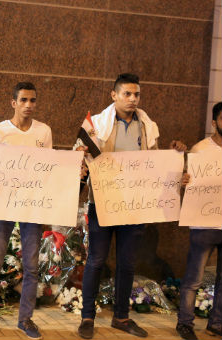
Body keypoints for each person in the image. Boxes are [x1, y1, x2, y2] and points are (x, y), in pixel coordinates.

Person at [75, 73, 186, 339]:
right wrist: (80, 157)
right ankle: (87, 317)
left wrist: (175, 154)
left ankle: (121, 318)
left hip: (135, 205)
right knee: (96, 261)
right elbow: (79, 159)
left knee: (127, 263)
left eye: (136, 94)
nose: (133, 99)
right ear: (114, 95)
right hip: (102, 203)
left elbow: (155, 163)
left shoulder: (147, 126)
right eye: (127, 94)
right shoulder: (96, 126)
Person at [0, 82, 51, 340]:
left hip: (32, 203)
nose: (29, 105)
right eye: (23, 100)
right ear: (14, 103)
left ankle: (26, 319)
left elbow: (48, 167)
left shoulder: (44, 131)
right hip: (3, 203)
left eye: (33, 100)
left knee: (31, 266)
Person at [175, 102, 222, 340]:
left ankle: (217, 324)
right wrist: (183, 182)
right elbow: (185, 184)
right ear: (214, 123)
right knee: (194, 277)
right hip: (204, 224)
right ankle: (185, 322)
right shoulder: (199, 150)